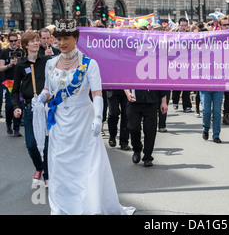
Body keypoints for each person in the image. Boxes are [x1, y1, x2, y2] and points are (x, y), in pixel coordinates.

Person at [35, 19, 135, 215]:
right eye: (59, 39)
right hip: (59, 124)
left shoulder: (90, 64)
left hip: (84, 121)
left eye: (66, 39)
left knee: (86, 165)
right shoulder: (50, 64)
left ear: (76, 38)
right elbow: (49, 89)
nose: (62, 43)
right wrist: (41, 97)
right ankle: (63, 207)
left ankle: (89, 206)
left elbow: (97, 94)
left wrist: (98, 118)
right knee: (59, 164)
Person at [12, 31, 50, 187]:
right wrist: (16, 107)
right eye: (32, 41)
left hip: (45, 107)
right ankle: (39, 168)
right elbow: (15, 91)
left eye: (37, 40)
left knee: (47, 144)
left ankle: (47, 175)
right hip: (29, 108)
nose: (36, 43)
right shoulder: (21, 65)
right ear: (26, 45)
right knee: (31, 144)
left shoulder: (47, 61)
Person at [199, 17, 227, 143]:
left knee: (216, 111)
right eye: (224, 25)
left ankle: (216, 134)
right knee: (206, 111)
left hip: (219, 82)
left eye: (228, 25)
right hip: (205, 82)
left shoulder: (228, 42)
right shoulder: (203, 46)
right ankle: (205, 128)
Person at [125, 88, 168, 167]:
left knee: (150, 130)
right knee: (133, 127)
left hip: (151, 100)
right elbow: (125, 80)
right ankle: (137, 149)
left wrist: (164, 102)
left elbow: (161, 84)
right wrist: (127, 93)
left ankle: (147, 156)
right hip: (134, 101)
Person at [0, 32, 24, 136]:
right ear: (8, 41)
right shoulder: (4, 52)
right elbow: (1, 68)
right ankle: (8, 124)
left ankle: (17, 128)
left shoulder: (22, 52)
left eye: (15, 41)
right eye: (11, 41)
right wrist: (9, 65)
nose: (14, 43)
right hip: (8, 82)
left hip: (20, 82)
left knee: (19, 105)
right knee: (9, 105)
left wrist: (20, 63)